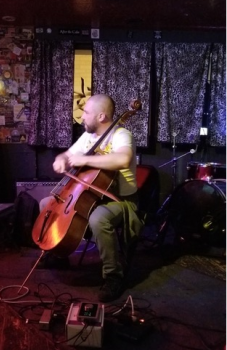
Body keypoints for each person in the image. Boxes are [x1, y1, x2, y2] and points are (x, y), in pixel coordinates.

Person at [39, 94, 143, 302]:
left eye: (86, 112)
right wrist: (61, 160)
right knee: (45, 204)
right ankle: (60, 254)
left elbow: (123, 159)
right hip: (92, 195)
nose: (82, 116)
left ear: (102, 116)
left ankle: (114, 276)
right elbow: (67, 155)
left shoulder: (122, 135)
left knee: (98, 218)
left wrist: (84, 159)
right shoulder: (89, 137)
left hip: (119, 200)